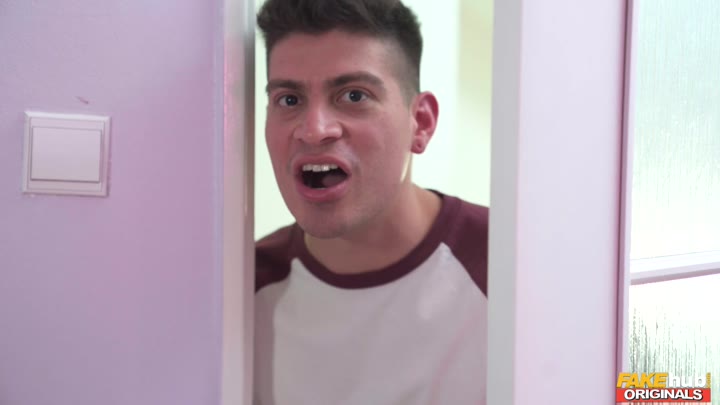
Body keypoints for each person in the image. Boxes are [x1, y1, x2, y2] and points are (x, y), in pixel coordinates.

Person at [254, 1, 488, 404]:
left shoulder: (509, 267)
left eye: (353, 95)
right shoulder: (244, 292)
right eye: (289, 100)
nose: (314, 130)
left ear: (421, 123)